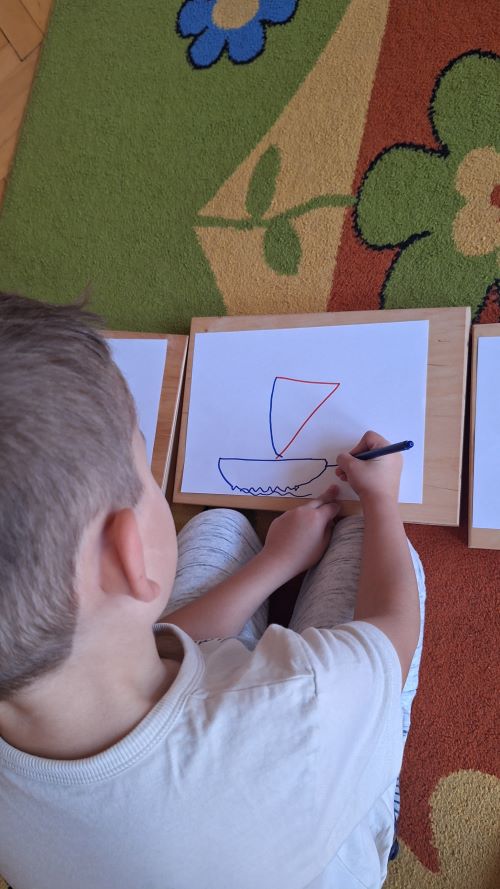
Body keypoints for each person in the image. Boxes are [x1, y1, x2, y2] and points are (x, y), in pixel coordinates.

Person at [0, 292, 425, 889]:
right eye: (146, 477)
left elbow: (149, 641)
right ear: (126, 552)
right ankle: (375, 785)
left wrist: (276, 563)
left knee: (220, 526)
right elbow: (391, 633)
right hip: (313, 817)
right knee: (371, 544)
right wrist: (380, 499)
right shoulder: (300, 704)